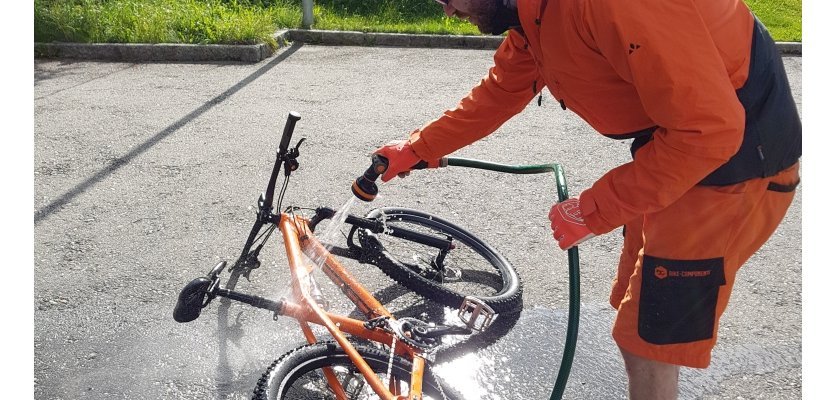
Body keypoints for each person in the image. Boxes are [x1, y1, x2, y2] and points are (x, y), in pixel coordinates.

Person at [372, 0, 801, 398]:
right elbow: (501, 91)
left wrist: (594, 209)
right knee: (634, 312)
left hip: (734, 166)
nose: (448, 11)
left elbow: (711, 131)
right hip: (676, 154)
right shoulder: (535, 14)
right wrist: (417, 148)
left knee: (648, 341)